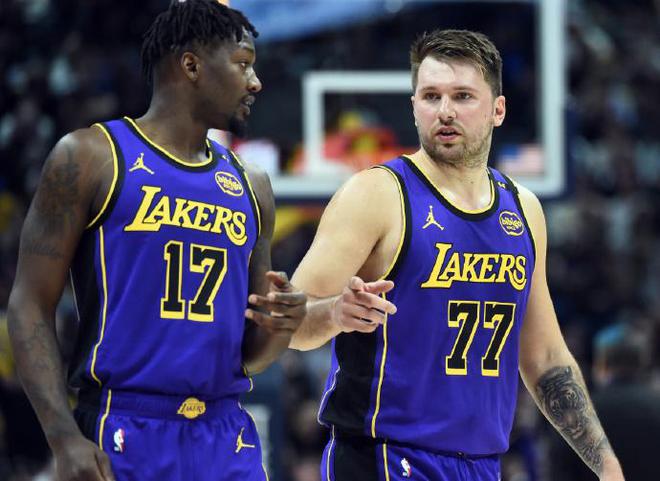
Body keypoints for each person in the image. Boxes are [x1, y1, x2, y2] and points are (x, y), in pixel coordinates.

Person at [280, 29, 626, 481]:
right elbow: (289, 323)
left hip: (481, 464)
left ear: (498, 109)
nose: (445, 110)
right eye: (431, 96)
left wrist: (606, 465)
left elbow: (544, 357)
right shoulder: (376, 195)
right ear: (414, 106)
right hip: (386, 458)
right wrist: (333, 314)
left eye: (462, 96)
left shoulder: (523, 210)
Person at [7, 1, 307, 480]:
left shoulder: (253, 185)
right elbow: (28, 304)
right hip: (123, 426)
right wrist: (63, 436)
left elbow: (252, 356)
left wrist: (281, 326)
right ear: (191, 65)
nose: (255, 82)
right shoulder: (90, 156)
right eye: (243, 64)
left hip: (225, 433)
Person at [550, 323, 660, 480]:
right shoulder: (656, 407)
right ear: (643, 364)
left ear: (601, 366)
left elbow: (560, 471)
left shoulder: (578, 414)